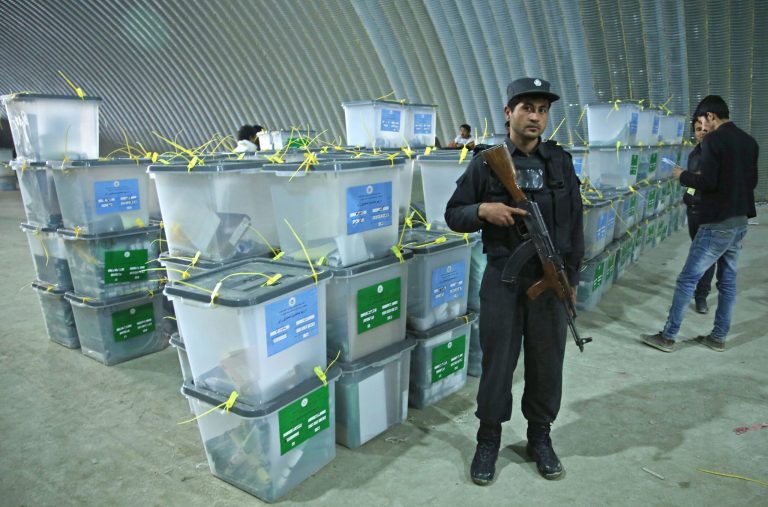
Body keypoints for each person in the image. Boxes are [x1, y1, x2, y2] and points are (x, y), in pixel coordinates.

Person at [445, 77, 584, 485]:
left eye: (542, 110)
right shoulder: (487, 162)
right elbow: (454, 214)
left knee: (546, 363)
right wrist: (484, 210)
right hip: (503, 279)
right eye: (527, 108)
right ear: (509, 113)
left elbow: (575, 223)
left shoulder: (560, 162)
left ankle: (539, 437)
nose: (535, 117)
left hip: (550, 282)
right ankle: (488, 439)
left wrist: (570, 278)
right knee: (498, 365)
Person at [643, 95, 759, 353]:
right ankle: (718, 337)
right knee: (727, 282)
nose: (704, 128)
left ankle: (668, 336)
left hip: (716, 221)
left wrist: (681, 175)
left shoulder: (714, 141)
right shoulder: (749, 142)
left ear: (711, 116)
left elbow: (706, 182)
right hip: (740, 221)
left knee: (687, 279)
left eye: (704, 120)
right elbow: (751, 183)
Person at [682, 117, 716, 314]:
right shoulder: (694, 153)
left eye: (705, 128)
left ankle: (701, 295)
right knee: (696, 252)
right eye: (697, 129)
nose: (701, 132)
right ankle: (695, 289)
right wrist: (688, 195)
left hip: (709, 212)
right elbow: (693, 182)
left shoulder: (716, 153)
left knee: (706, 255)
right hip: (693, 211)